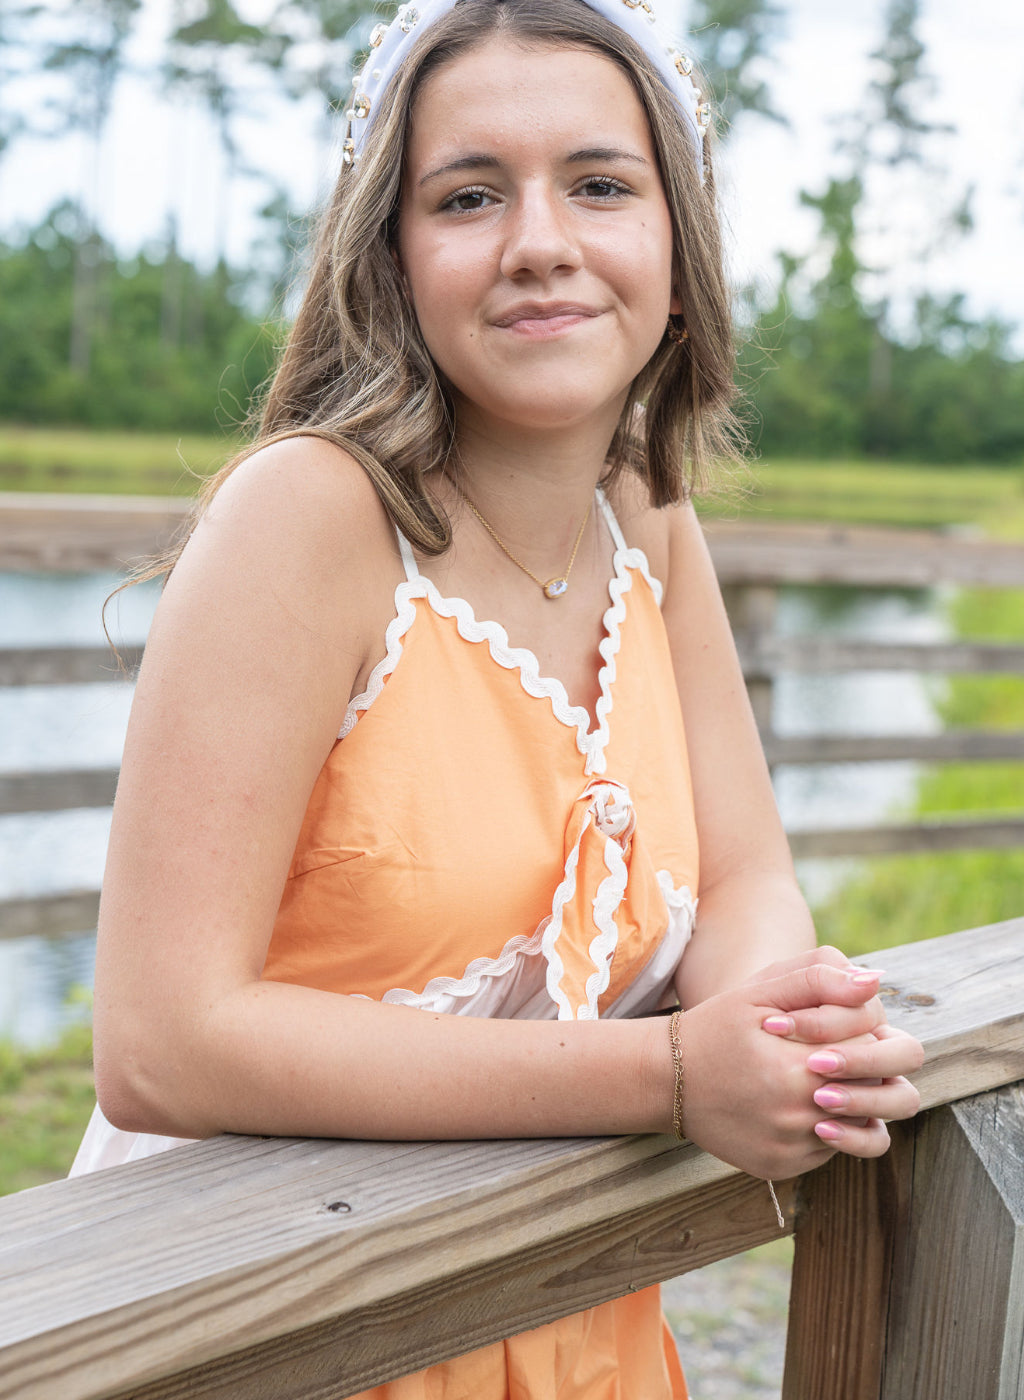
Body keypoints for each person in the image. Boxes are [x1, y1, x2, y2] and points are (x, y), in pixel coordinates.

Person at [72, 0, 924, 1395]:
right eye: (470, 195)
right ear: (393, 255)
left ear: (676, 242)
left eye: (600, 184)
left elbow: (750, 872)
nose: (541, 239)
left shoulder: (648, 519)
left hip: (567, 1307)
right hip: (276, 1315)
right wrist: (663, 1081)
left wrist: (781, 1026)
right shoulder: (311, 519)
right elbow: (162, 1042)